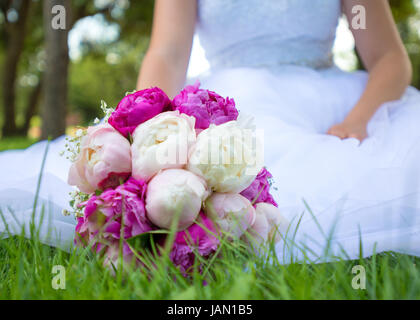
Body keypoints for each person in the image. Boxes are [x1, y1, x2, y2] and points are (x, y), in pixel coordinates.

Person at [1, 0, 419, 261]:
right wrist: (147, 127)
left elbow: (389, 59)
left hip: (326, 99)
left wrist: (357, 121)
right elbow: (166, 52)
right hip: (230, 92)